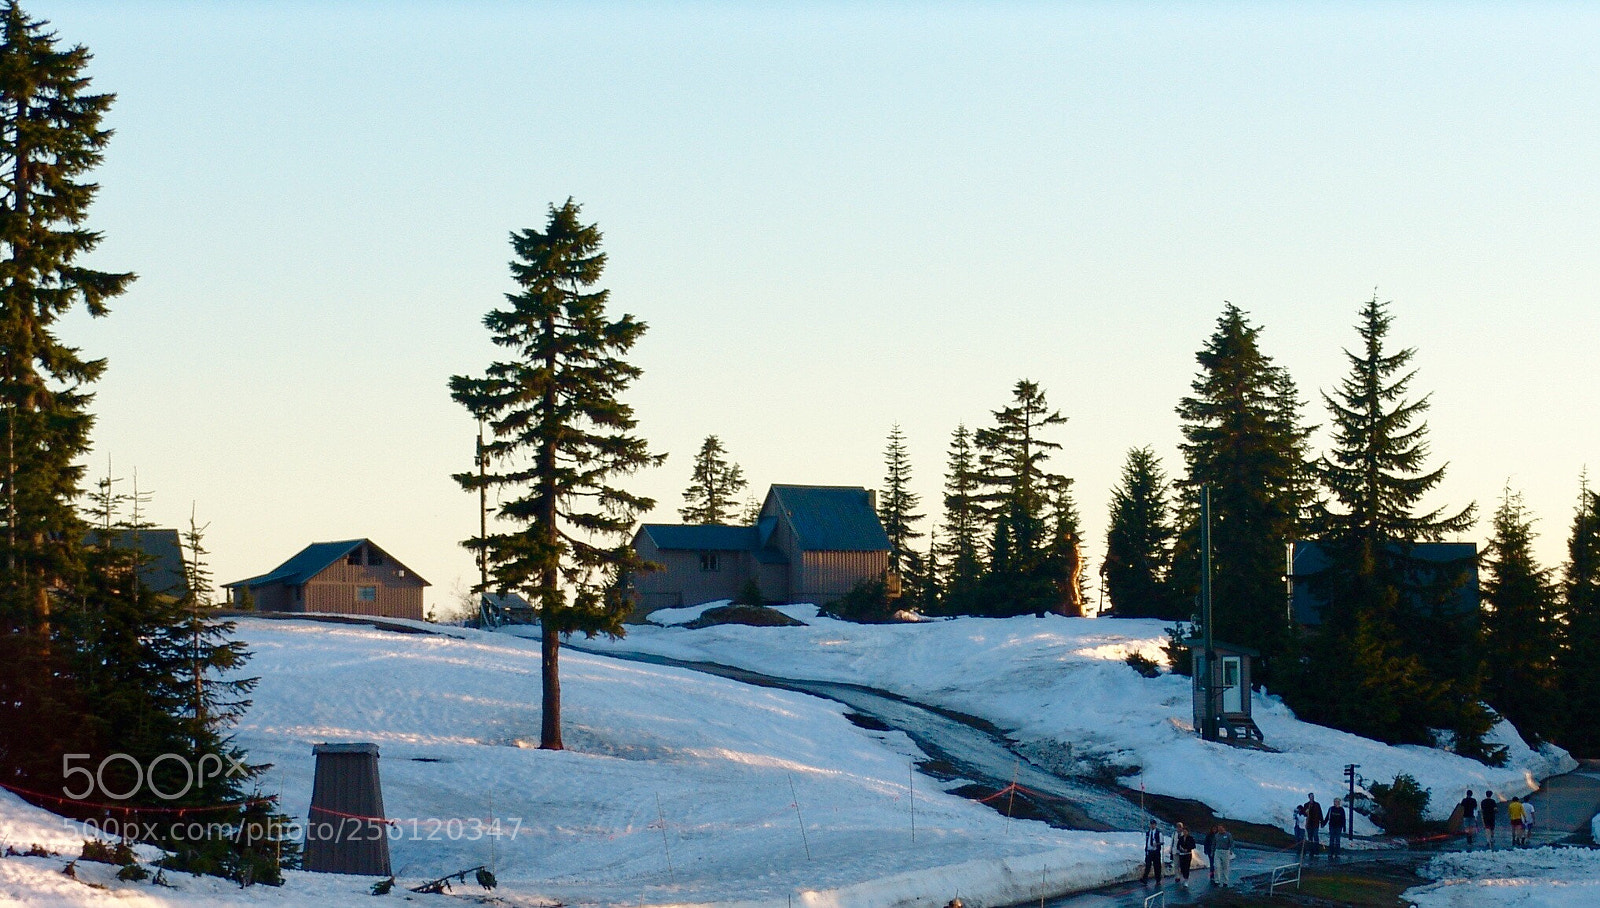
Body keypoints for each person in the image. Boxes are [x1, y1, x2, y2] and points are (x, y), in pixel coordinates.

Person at [1140, 819, 1164, 885]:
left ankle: (1158, 880)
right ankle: (1144, 879)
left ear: (1155, 825)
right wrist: (1146, 849)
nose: (1152, 825)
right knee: (1148, 865)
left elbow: (1162, 842)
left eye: (1153, 824)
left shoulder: (1158, 833)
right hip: (1149, 851)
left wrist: (1157, 844)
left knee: (1157, 866)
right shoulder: (1148, 833)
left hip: (1155, 851)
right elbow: (1147, 841)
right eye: (1151, 824)